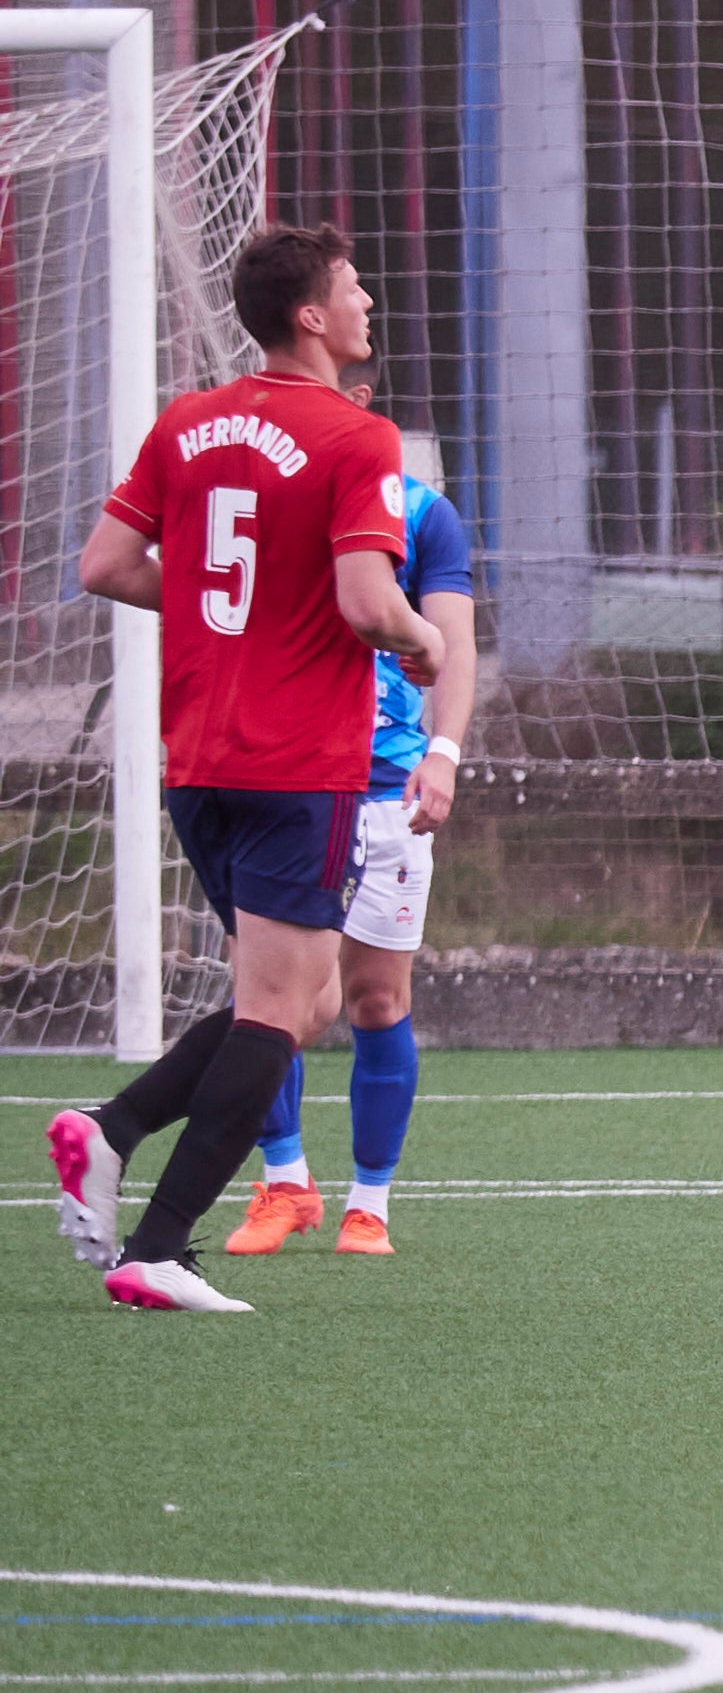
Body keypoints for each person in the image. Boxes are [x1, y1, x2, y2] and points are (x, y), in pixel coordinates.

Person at [49, 222, 444, 1311]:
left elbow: (106, 565)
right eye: (355, 287)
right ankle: (158, 1242)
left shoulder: (187, 422)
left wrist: (248, 611)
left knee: (301, 999)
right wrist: (424, 640)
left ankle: (114, 1129)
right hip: (296, 761)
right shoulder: (358, 437)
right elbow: (369, 604)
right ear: (311, 314)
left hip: (200, 760)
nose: (369, 302)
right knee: (280, 1010)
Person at [226, 366, 477, 1258]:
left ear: (366, 414)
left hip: (385, 791)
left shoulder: (421, 515)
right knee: (271, 998)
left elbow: (453, 642)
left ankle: (370, 1203)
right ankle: (284, 1184)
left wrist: (442, 755)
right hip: (288, 784)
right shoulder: (268, 500)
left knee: (377, 999)